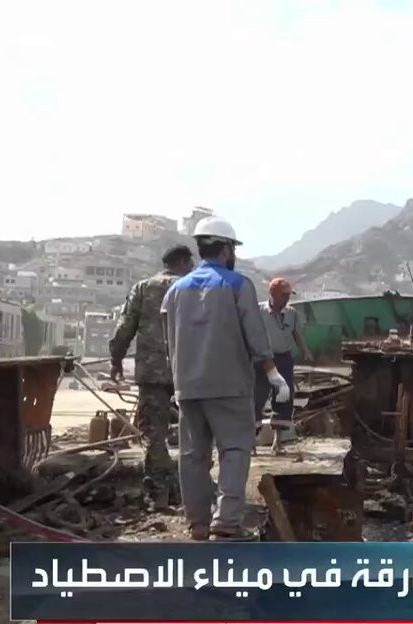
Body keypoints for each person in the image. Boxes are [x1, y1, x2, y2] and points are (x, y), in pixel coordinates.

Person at [160, 216, 290, 541]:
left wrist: (176, 381)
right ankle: (226, 521)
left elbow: (168, 341)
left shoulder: (175, 291)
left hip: (187, 387)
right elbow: (255, 335)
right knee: (234, 449)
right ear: (226, 249)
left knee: (192, 455)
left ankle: (198, 523)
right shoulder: (237, 285)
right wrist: (272, 372)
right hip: (229, 386)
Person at [109, 245, 195, 510]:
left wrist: (116, 360)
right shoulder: (194, 288)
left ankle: (158, 495)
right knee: (196, 433)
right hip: (191, 372)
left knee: (154, 435)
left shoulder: (143, 288)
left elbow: (124, 328)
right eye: (191, 262)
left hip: (152, 372)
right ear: (183, 262)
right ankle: (195, 493)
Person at [255, 277, 310, 444]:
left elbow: (296, 334)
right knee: (257, 397)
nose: (287, 299)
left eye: (288, 295)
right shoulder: (258, 311)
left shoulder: (292, 313)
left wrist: (305, 351)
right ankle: (251, 442)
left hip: (283, 358)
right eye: (284, 295)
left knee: (284, 397)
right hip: (263, 359)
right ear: (272, 294)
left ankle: (277, 442)